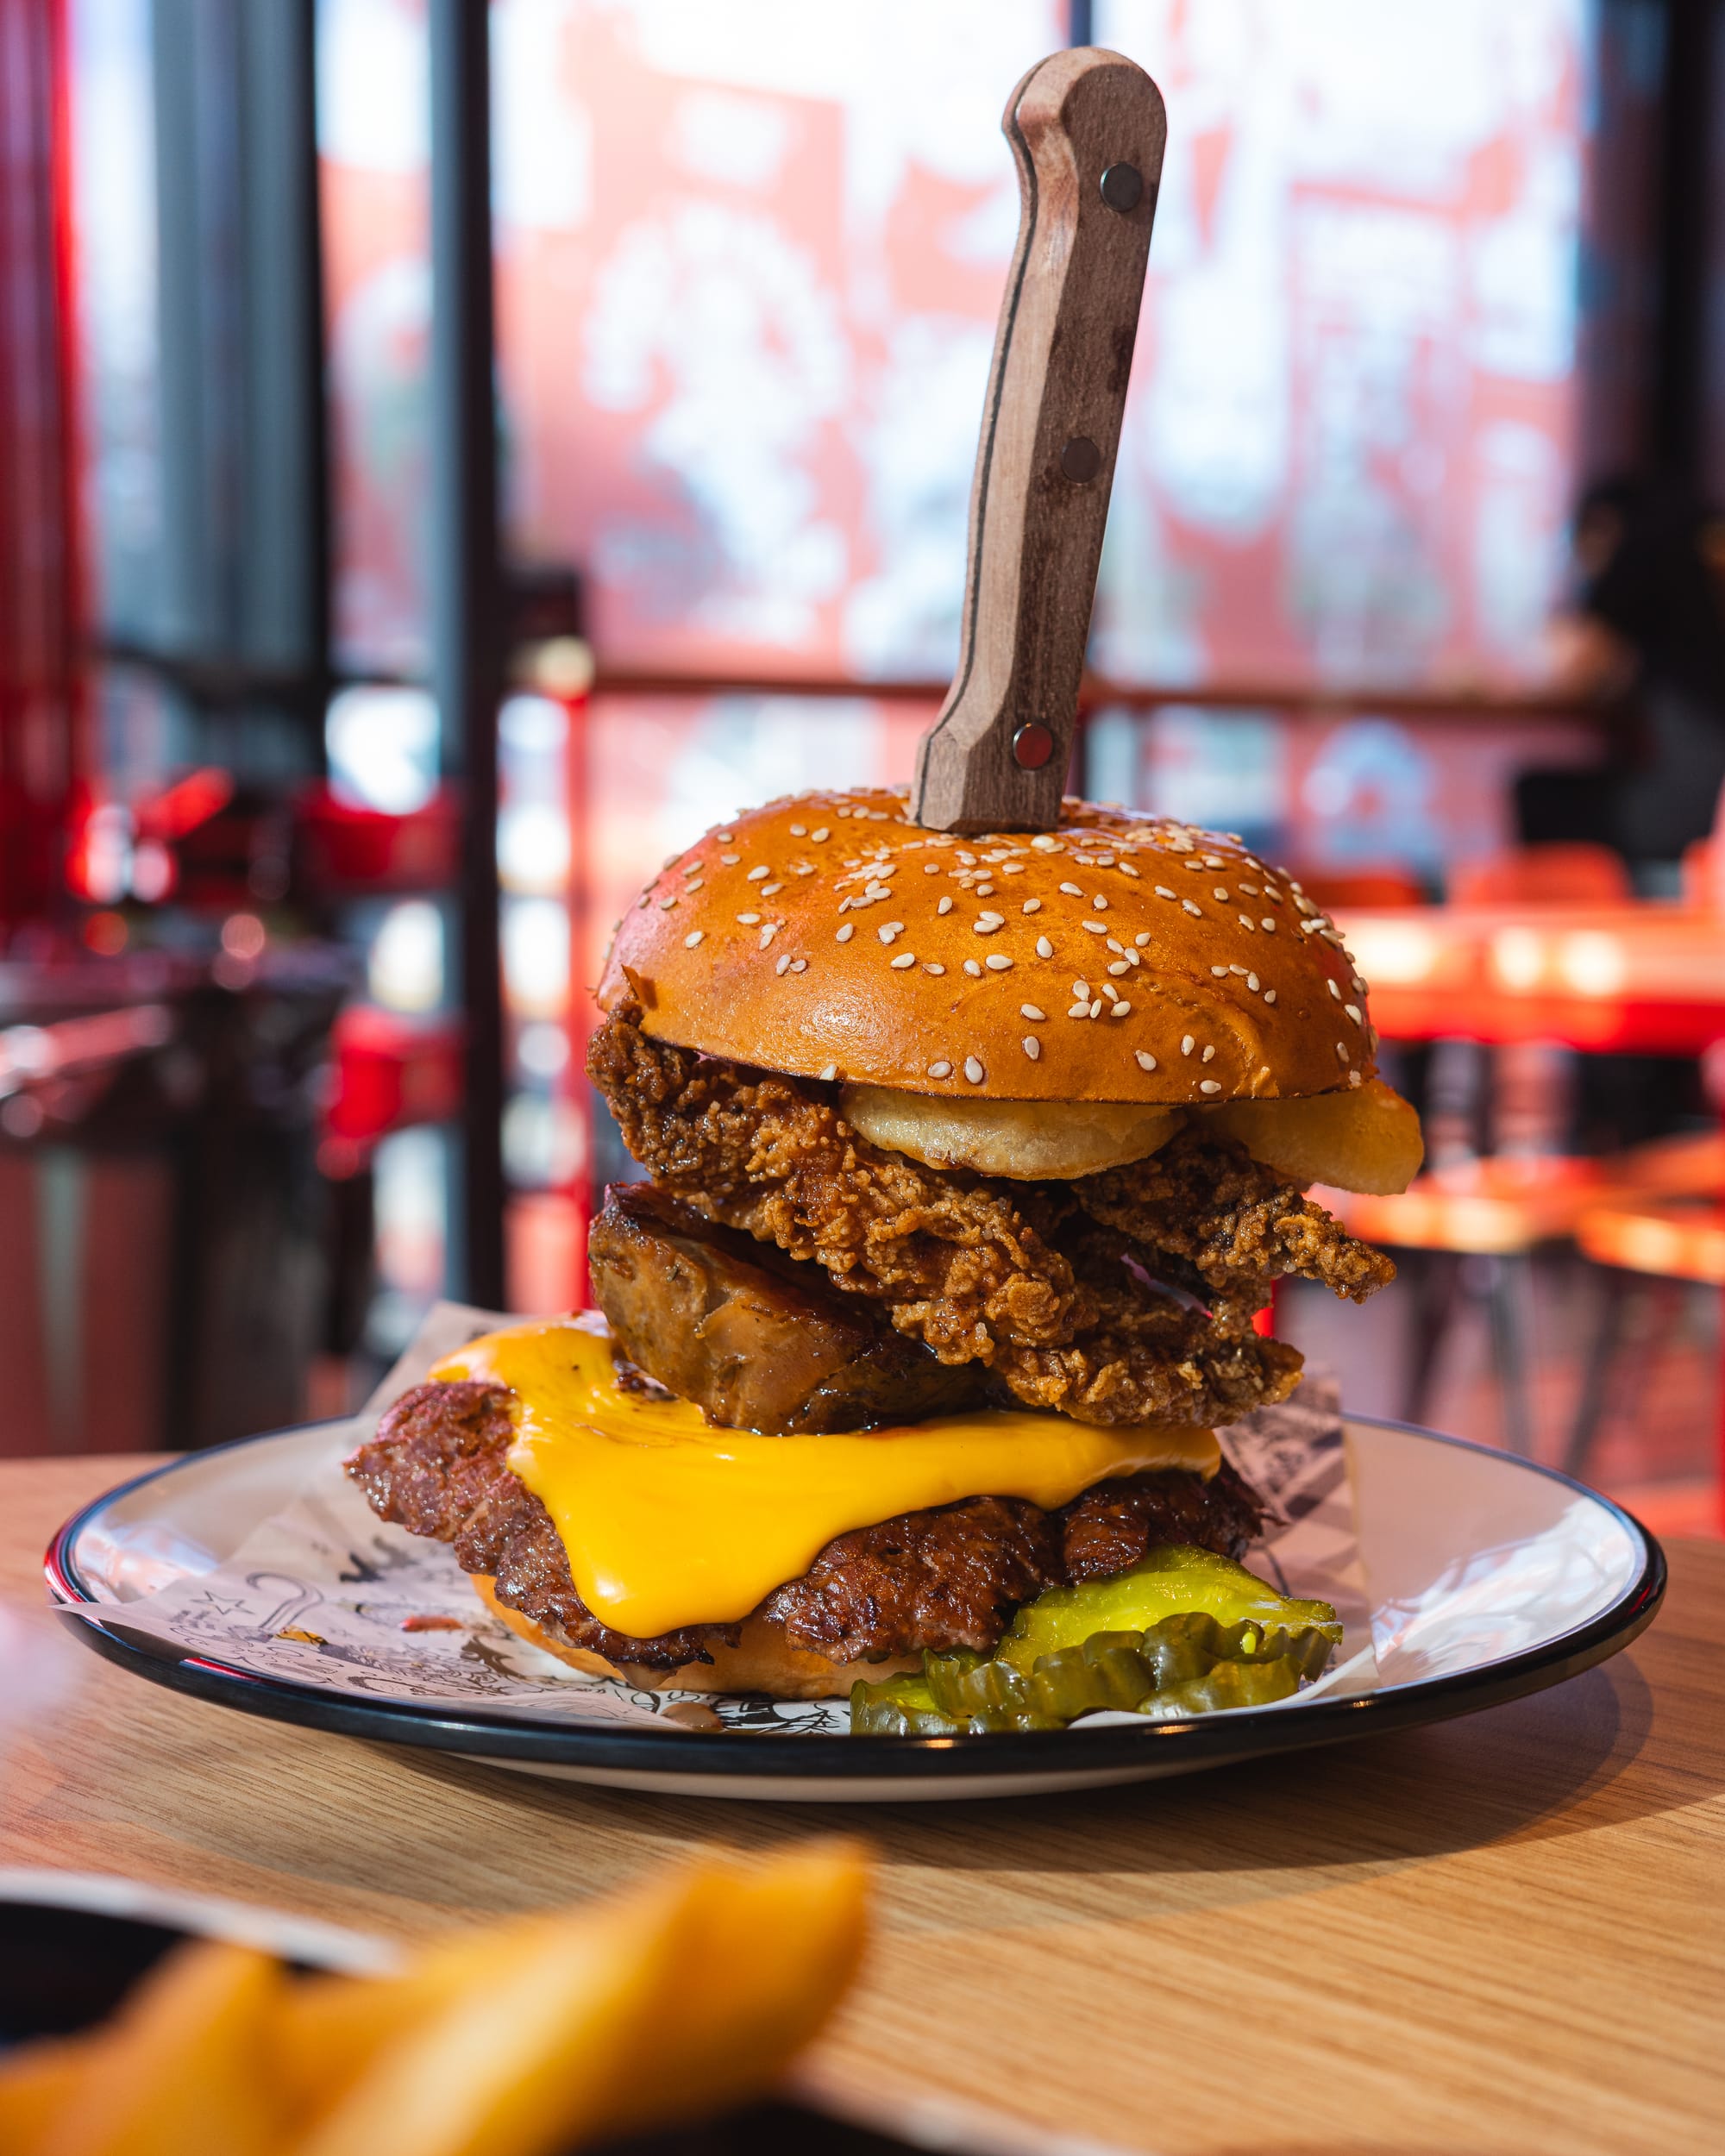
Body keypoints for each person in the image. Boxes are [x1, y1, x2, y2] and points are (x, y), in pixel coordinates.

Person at [1519, 475, 1725, 874]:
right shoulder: (1702, 543)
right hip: (1715, 799)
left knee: (1537, 795)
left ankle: (1559, 928)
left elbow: (1572, 671)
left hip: (1692, 802)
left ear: (1602, 525)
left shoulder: (1643, 547)